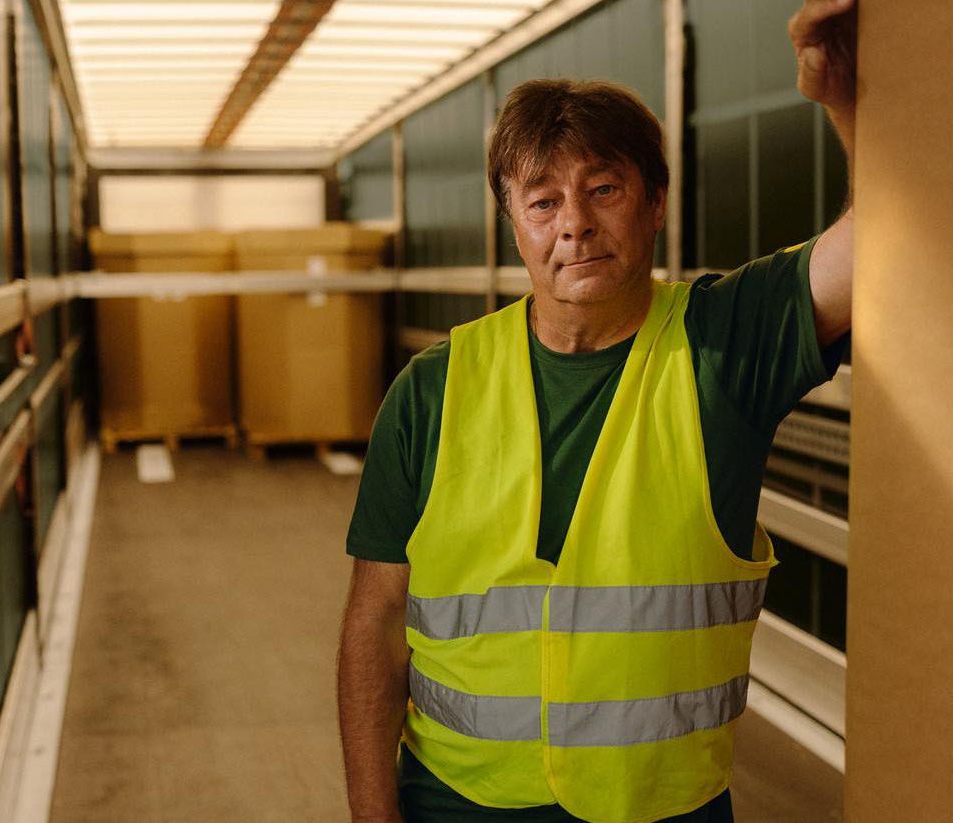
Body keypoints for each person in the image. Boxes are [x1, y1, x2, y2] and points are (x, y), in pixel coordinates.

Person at [338, 1, 857, 820]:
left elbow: (876, 247)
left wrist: (846, 101)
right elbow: (377, 615)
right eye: (542, 201)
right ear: (515, 226)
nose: (574, 223)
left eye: (603, 188)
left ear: (654, 202)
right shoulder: (432, 390)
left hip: (661, 807)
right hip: (455, 803)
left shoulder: (724, 345)